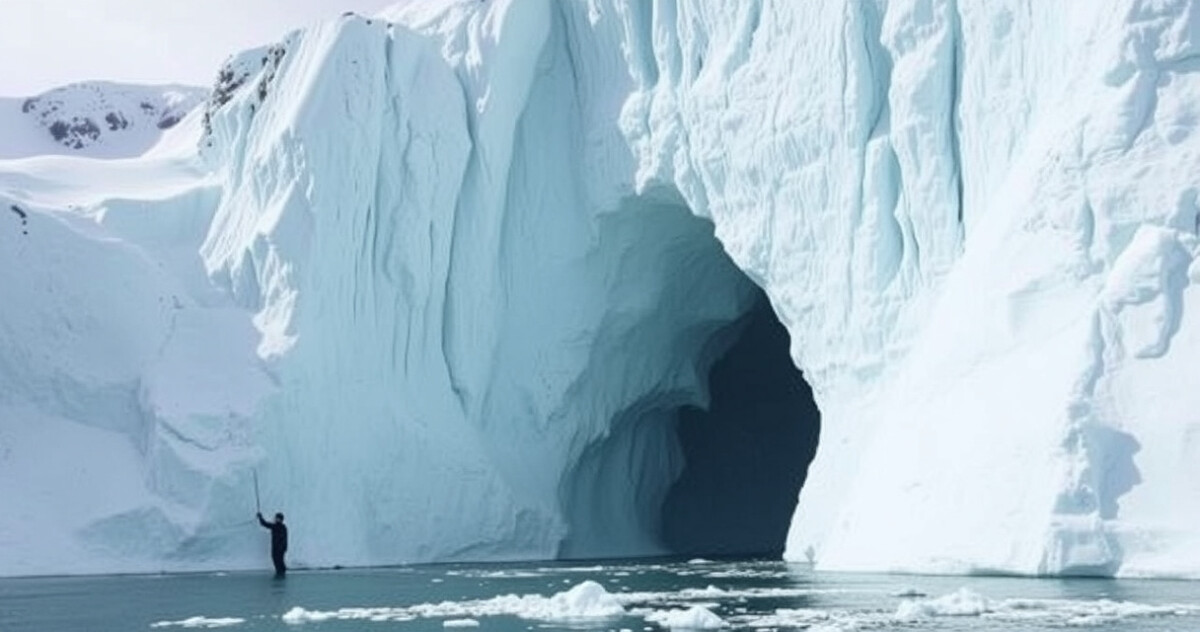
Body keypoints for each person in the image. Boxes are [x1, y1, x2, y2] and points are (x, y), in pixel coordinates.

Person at [257, 511, 288, 577]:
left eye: (277, 518)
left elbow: (265, 524)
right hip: (279, 548)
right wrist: (260, 518)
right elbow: (265, 524)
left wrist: (260, 517)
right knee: (278, 561)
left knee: (278, 561)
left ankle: (280, 572)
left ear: (280, 519)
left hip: (278, 548)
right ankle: (281, 572)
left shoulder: (278, 526)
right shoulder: (282, 527)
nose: (275, 519)